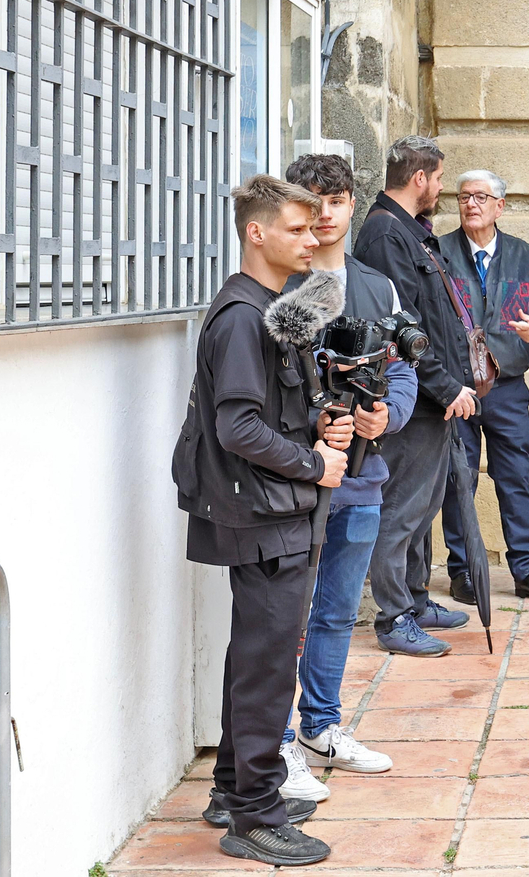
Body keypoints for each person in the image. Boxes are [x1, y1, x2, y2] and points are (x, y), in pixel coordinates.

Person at [171, 175, 348, 866]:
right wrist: (312, 465)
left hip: (268, 510)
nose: (313, 238)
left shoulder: (268, 307)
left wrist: (327, 423)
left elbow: (269, 413)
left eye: (315, 228)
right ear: (257, 232)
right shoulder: (244, 316)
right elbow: (238, 425)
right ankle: (254, 816)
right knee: (268, 664)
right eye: (298, 229)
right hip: (265, 514)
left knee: (255, 657)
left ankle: (230, 789)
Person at [267, 154, 414, 803]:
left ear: (354, 205)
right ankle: (273, 745)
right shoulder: (277, 288)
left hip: (361, 480)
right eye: (313, 201)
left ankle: (320, 729)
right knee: (281, 621)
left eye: (337, 200)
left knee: (333, 616)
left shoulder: (378, 287)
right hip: (293, 484)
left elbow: (402, 370)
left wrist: (385, 417)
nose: (325, 214)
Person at [353, 135, 475, 657]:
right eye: (440, 178)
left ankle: (417, 599)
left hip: (435, 400)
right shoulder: (385, 234)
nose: (443, 188)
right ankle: (394, 615)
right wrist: (447, 386)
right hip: (415, 400)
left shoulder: (411, 232)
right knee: (401, 509)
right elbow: (403, 329)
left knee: (423, 508)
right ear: (419, 178)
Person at [438, 170, 529, 604]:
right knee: (459, 481)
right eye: (463, 197)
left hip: (508, 387)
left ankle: (525, 570)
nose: (471, 204)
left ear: (500, 205)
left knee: (515, 478)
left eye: (480, 196)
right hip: (455, 389)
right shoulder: (437, 254)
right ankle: (463, 571)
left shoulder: (523, 255)